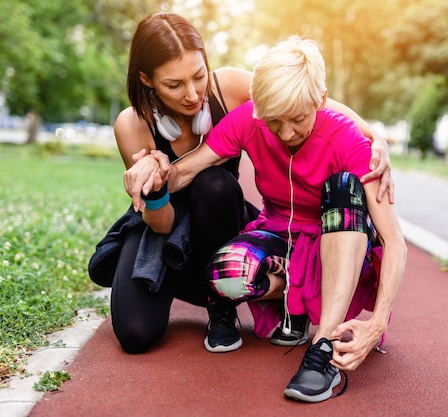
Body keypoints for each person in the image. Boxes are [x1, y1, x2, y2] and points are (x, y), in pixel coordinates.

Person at [90, 12, 394, 354]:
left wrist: (374, 136)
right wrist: (156, 181)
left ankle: (221, 309)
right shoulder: (131, 125)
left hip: (221, 215)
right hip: (164, 226)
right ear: (147, 79)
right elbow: (162, 223)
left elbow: (301, 98)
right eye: (174, 85)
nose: (192, 95)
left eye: (198, 76)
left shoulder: (230, 87)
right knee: (134, 335)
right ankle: (203, 282)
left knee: (214, 183)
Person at [129, 36, 407, 403]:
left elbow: (394, 241)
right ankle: (294, 298)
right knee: (224, 277)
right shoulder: (247, 119)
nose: (287, 133)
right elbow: (186, 171)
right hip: (279, 235)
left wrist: (377, 323)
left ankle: (321, 351)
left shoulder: (349, 140)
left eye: (298, 119)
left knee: (342, 186)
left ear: (320, 101)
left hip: (336, 242)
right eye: (274, 121)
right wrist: (156, 170)